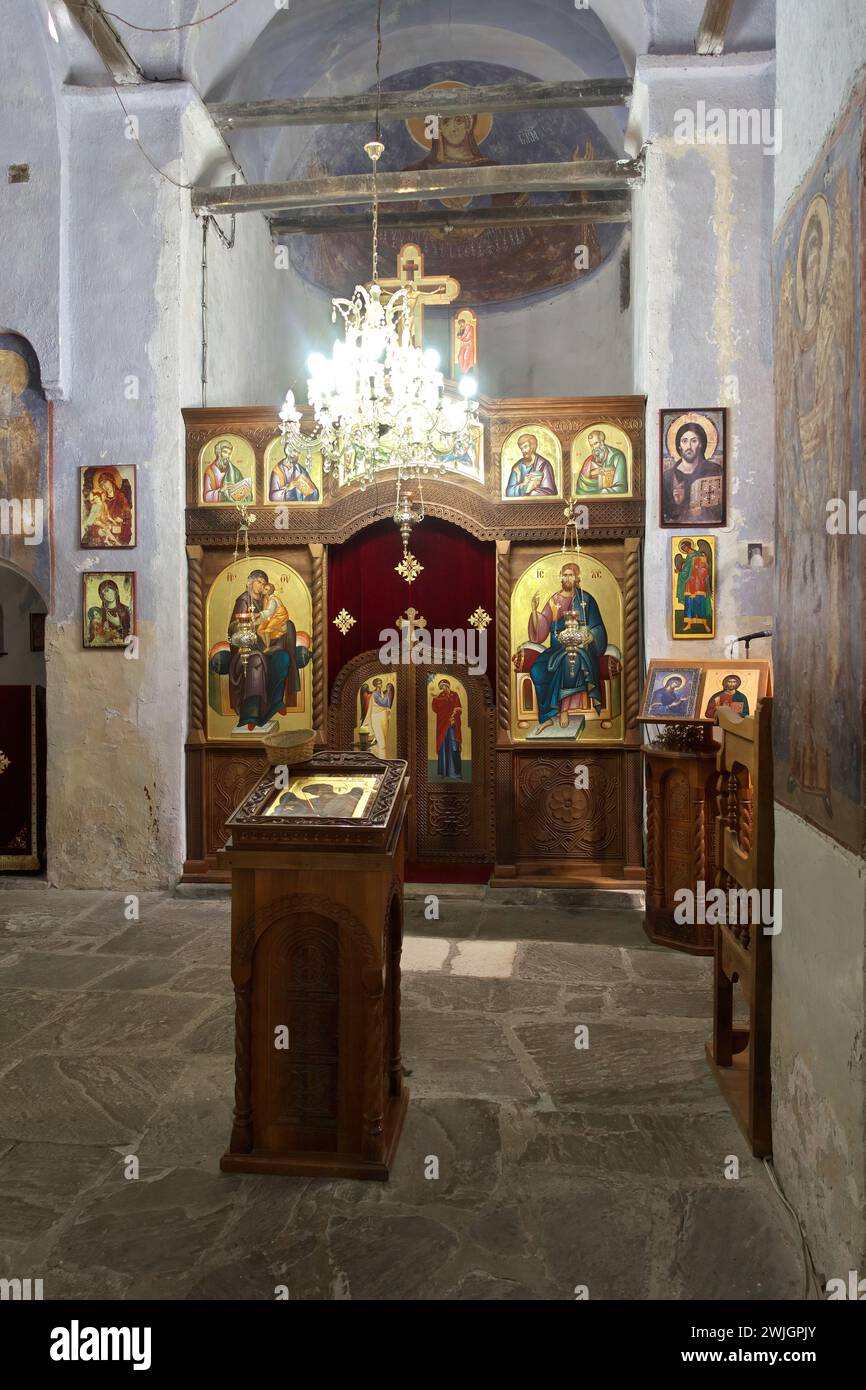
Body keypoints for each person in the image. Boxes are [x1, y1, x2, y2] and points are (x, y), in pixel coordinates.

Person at [209, 569, 312, 731]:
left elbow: (273, 619)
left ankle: (276, 702)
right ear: (250, 582)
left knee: (283, 657)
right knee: (256, 661)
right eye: (258, 582)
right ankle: (251, 715)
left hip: (266, 648)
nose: (261, 586)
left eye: (264, 583)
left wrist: (280, 628)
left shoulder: (267, 600)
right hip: (246, 652)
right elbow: (233, 628)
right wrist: (248, 625)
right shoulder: (243, 601)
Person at [515, 561, 608, 733]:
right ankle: (547, 717)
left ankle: (563, 710)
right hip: (556, 648)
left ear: (577, 578)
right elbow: (541, 630)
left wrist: (591, 636)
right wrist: (535, 612)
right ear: (560, 577)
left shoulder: (585, 599)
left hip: (580, 647)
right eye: (564, 574)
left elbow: (597, 626)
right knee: (537, 669)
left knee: (567, 662)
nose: (567, 578)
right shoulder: (554, 601)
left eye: (571, 574)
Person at [662, 421, 723, 525]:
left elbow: (722, 508)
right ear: (679, 445)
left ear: (700, 444)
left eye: (694, 441)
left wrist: (703, 511)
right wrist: (678, 503)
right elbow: (666, 515)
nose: (689, 446)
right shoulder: (668, 477)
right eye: (684, 441)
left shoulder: (714, 471)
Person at [674, 539, 713, 634]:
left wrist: (699, 567)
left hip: (699, 583)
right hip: (689, 583)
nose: (684, 549)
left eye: (685, 547)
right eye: (682, 548)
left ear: (689, 546)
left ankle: (705, 624)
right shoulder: (687, 558)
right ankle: (689, 624)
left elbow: (704, 567)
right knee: (689, 603)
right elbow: (686, 571)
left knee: (700, 603)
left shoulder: (698, 554)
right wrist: (680, 573)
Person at [575, 429, 628, 495]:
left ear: (602, 441)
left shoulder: (617, 456)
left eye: (596, 443)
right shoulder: (590, 460)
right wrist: (592, 473)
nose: (594, 448)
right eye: (591, 445)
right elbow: (581, 485)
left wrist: (600, 492)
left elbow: (621, 488)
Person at [202, 440, 252, 504]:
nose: (227, 456)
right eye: (225, 452)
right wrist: (221, 490)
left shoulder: (234, 471)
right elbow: (206, 497)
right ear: (218, 453)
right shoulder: (210, 471)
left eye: (229, 453)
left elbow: (244, 490)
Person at [431, 678, 463, 778]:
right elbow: (435, 708)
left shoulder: (454, 695)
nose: (442, 688)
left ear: (448, 686)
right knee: (443, 746)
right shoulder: (439, 696)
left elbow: (459, 708)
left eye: (444, 686)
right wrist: (435, 699)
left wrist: (454, 715)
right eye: (441, 687)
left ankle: (455, 772)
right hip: (442, 724)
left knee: (454, 746)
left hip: (452, 724)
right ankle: (444, 772)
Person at [88, 579, 131, 647]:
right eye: (104, 593)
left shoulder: (125, 610)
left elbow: (129, 632)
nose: (107, 594)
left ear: (115, 590)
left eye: (108, 590)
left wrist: (119, 624)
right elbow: (95, 631)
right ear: (102, 596)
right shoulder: (101, 611)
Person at [255, 583, 290, 650]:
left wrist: (258, 614)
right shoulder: (266, 598)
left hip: (279, 617)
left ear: (269, 592)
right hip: (272, 616)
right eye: (265, 588)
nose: (264, 590)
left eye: (266, 589)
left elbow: (270, 611)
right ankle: (266, 646)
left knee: (267, 630)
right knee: (260, 629)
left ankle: (268, 647)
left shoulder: (272, 600)